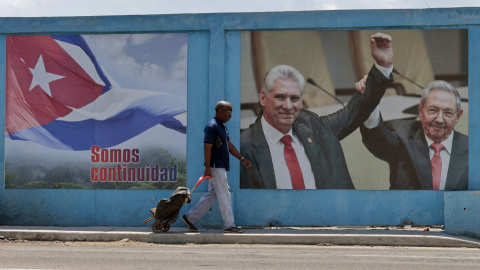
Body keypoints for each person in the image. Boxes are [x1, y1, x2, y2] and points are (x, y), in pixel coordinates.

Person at [240, 32, 394, 189]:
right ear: (263, 98)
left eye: (294, 98)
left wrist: (382, 67)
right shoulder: (243, 146)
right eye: (280, 97)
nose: (288, 106)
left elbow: (353, 112)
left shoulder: (311, 125)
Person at [358, 79, 468, 190]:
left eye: (448, 112)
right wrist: (370, 101)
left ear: (457, 116)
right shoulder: (402, 135)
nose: (439, 119)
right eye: (433, 110)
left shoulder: (474, 150)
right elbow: (376, 138)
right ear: (420, 110)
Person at [182, 101, 253, 233]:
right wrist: (208, 167)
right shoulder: (212, 126)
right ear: (220, 111)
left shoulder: (222, 126)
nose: (230, 115)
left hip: (219, 166)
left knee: (213, 195)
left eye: (231, 112)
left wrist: (242, 158)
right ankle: (229, 225)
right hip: (215, 166)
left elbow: (228, 145)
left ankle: (190, 218)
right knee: (224, 194)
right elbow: (207, 147)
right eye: (228, 112)